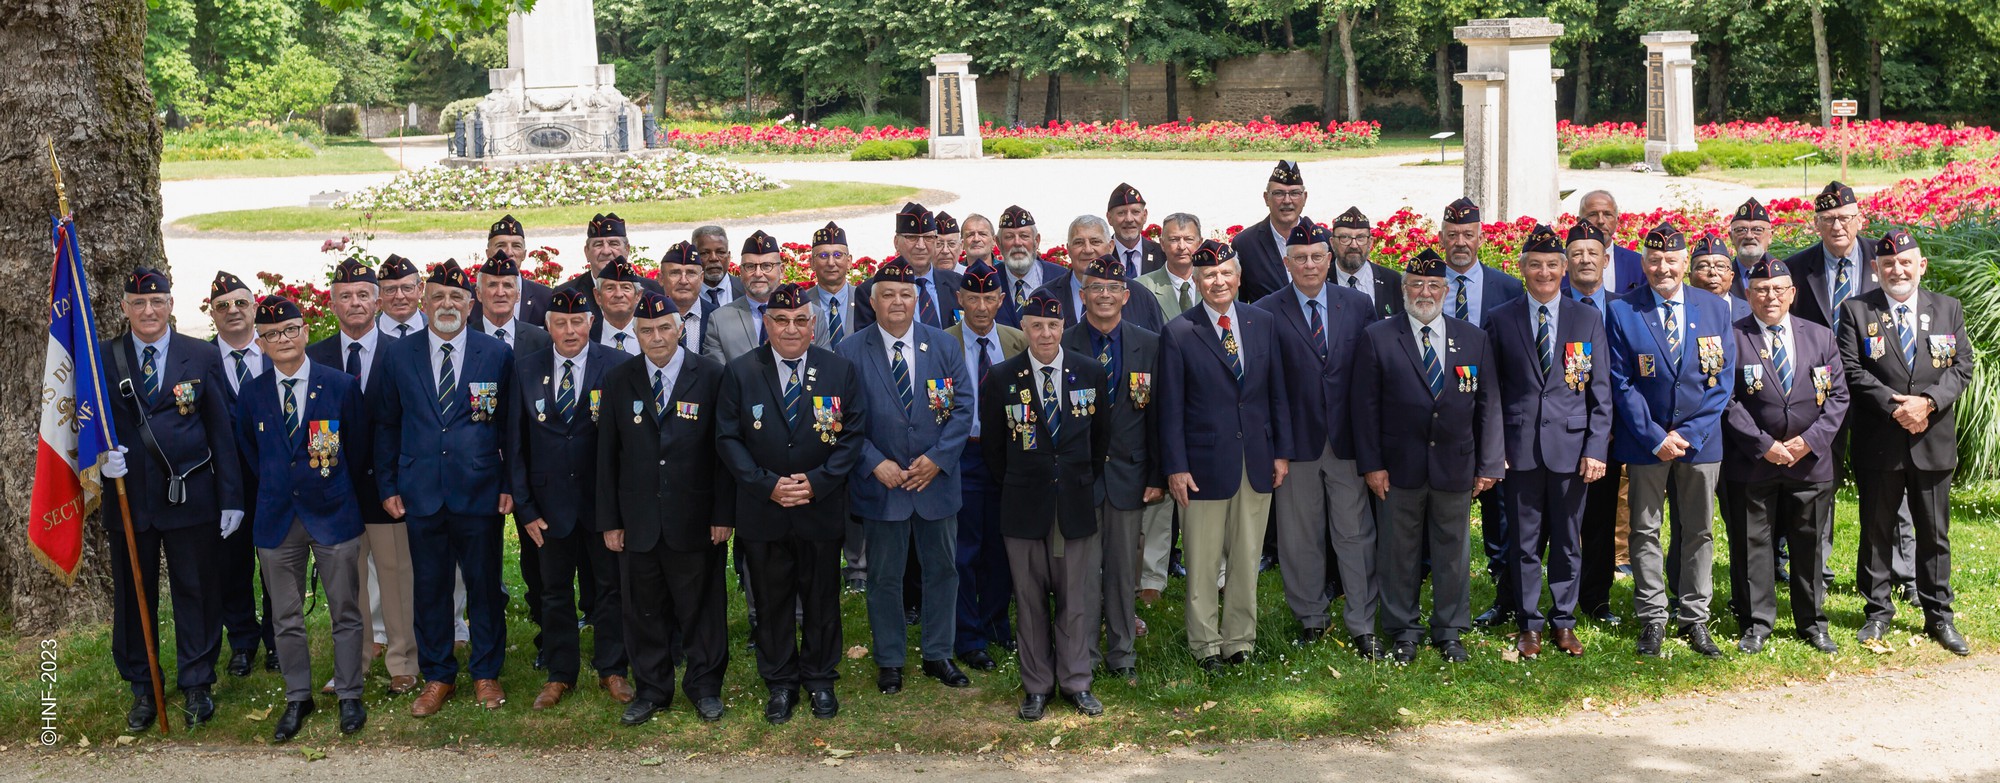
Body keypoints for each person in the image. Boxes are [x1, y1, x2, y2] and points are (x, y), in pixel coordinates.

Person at [715, 283, 868, 723]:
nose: (791, 328)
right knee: (771, 599)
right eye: (781, 320)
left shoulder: (838, 370)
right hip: (764, 510)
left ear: (813, 324)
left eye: (801, 319)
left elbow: (851, 435)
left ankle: (820, 678)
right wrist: (767, 485)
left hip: (818, 508)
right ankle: (780, 682)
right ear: (766, 323)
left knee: (821, 597)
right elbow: (728, 438)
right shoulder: (742, 372)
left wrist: (817, 482)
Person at [100, 267, 245, 731]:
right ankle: (144, 688)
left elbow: (221, 431)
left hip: (190, 494)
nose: (148, 311)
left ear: (170, 305)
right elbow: (84, 423)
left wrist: (232, 498)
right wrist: (99, 461)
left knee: (197, 590)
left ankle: (197, 682)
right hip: (128, 496)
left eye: (157, 302)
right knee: (133, 594)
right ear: (124, 307)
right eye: (138, 303)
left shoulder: (198, 355)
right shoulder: (104, 357)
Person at [374, 259, 517, 715]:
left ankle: (486, 673)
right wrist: (389, 483)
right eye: (438, 296)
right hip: (421, 492)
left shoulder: (495, 353)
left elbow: (509, 429)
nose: (447, 304)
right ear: (424, 301)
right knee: (431, 588)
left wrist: (510, 482)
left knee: (484, 587)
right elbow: (386, 425)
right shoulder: (398, 354)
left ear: (470, 303)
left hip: (479, 490)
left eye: (456, 297)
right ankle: (437, 676)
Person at [1351, 249, 1503, 664]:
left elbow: (1488, 406)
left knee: (1453, 552)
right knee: (1398, 552)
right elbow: (1364, 409)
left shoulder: (1473, 338)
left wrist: (1489, 464)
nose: (1425, 292)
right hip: (1398, 469)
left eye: (1433, 285)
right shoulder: (1379, 337)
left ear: (1446, 290)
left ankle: (1450, 630)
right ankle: (1403, 630)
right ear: (1404, 289)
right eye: (1416, 284)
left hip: (1456, 465)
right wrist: (1372, 465)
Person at [233, 295, 370, 741]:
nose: (283, 339)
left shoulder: (340, 386)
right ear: (261, 341)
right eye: (272, 334)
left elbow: (357, 448)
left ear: (306, 331)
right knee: (285, 616)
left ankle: (350, 693)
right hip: (276, 520)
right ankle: (298, 697)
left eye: (291, 329)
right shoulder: (251, 394)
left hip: (333, 515)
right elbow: (251, 454)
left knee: (346, 609)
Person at [837, 258, 977, 694]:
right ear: (873, 301)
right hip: (883, 484)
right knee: (884, 577)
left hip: (934, 482)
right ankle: (890, 660)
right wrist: (873, 461)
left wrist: (938, 458)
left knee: (942, 571)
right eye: (888, 295)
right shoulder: (849, 350)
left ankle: (939, 654)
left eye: (905, 295)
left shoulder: (942, 345)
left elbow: (962, 406)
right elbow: (842, 419)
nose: (897, 302)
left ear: (916, 300)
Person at [597, 290, 734, 723]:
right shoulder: (620, 380)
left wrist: (723, 514)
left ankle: (705, 686)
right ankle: (653, 689)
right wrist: (610, 521)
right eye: (646, 331)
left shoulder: (711, 376)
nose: (656, 337)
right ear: (634, 334)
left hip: (695, 518)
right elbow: (607, 456)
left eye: (663, 328)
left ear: (680, 328)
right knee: (643, 609)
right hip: (638, 519)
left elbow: (724, 454)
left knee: (702, 608)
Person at [1159, 239, 1292, 672]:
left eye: (1226, 273)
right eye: (1209, 276)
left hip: (1255, 460)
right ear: (1197, 282)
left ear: (1238, 277)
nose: (1219, 281)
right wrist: (1176, 467)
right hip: (1202, 468)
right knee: (1201, 559)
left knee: (1247, 556)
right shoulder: (1179, 332)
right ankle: (1205, 644)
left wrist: (1281, 453)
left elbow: (1276, 394)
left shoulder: (1262, 323)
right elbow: (1170, 409)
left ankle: (1239, 640)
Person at [1838, 230, 1971, 656]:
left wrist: (1927, 403)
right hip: (1881, 439)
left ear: (1921, 265)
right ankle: (1877, 612)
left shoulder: (1947, 309)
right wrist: (1896, 407)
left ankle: (1939, 616)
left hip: (1932, 440)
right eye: (1888, 264)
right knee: (1876, 529)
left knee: (1934, 532)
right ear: (1876, 268)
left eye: (1905, 262)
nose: (1897, 270)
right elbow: (1851, 369)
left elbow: (1962, 366)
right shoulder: (1858, 311)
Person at [1607, 223, 1736, 658]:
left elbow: (1721, 381)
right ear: (1644, 264)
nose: (1663, 267)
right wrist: (1655, 437)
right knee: (1645, 529)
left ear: (1685, 265)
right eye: (1655, 260)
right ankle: (1653, 617)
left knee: (1698, 529)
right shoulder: (1624, 311)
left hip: (1701, 442)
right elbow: (1620, 382)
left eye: (1672, 261)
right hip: (1646, 442)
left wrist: (1688, 433)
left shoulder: (1714, 309)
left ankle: (1695, 617)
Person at [1483, 226, 1612, 658]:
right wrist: (1493, 449)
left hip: (1572, 450)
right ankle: (1528, 624)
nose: (1544, 272)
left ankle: (1564, 621)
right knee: (1521, 541)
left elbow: (1601, 391)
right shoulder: (1502, 318)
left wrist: (1596, 448)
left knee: (1568, 539)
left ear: (1564, 269)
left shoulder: (1586, 318)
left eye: (1553, 264)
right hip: (1518, 450)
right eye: (1535, 264)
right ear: (1522, 270)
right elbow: (1493, 392)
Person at [983, 291, 1112, 720]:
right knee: (1030, 597)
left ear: (1063, 328)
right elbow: (994, 451)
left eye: (1052, 326)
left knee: (1076, 597)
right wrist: (1025, 482)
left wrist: (1074, 480)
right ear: (1024, 328)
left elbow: (1100, 443)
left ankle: (1076, 682)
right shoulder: (1002, 377)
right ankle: (1036, 685)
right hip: (1022, 506)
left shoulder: (1090, 372)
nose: (1044, 334)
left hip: (1073, 503)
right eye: (1035, 325)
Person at [508, 287, 631, 709]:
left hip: (602, 506)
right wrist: (525, 509)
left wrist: (621, 508)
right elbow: (516, 445)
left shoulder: (617, 366)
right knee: (553, 592)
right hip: (548, 507)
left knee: (610, 589)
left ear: (590, 322)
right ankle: (561, 674)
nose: (569, 330)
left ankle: (613, 669)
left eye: (577, 321)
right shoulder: (525, 369)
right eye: (560, 323)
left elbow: (628, 446)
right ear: (548, 326)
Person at [1721, 257, 1847, 655]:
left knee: (1808, 545)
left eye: (1778, 289)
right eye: (1761, 290)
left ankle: (1812, 622)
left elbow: (1839, 396)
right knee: (1751, 543)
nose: (1770, 296)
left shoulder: (1821, 336)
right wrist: (1765, 445)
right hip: (1754, 461)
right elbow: (1726, 399)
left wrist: (1809, 441)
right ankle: (1757, 622)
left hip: (1810, 462)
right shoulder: (1732, 336)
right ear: (1747, 294)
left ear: (1792, 294)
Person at [306, 258, 420, 695]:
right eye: (344, 296)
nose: (354, 303)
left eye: (362, 295)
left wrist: (397, 481)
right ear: (331, 304)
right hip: (337, 489)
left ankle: (402, 661)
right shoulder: (314, 356)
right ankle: (352, 663)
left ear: (378, 300)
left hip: (388, 488)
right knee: (346, 582)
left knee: (395, 576)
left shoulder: (404, 352)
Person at [1265, 219, 1378, 655]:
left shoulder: (1357, 305)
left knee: (1354, 533)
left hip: (1347, 441)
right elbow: (1267, 385)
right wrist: (1277, 449)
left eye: (1316, 256)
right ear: (1286, 262)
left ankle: (1362, 622)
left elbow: (1369, 381)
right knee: (1299, 535)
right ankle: (1310, 617)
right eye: (1300, 258)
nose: (1309, 265)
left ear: (1329, 259)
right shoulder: (1268, 311)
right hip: (1296, 445)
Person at [1062, 256, 1163, 681]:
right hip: (1079, 478)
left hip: (1130, 476)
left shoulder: (1149, 344)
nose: (1104, 295)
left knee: (1123, 572)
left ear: (1126, 296)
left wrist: (1158, 474)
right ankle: (1082, 655)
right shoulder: (1063, 343)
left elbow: (1160, 415)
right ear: (1082, 296)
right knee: (1081, 573)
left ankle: (1122, 654)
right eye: (1095, 288)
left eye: (1112, 289)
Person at [1437, 198, 1527, 629]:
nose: (1460, 243)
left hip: (1493, 413)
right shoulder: (1423, 283)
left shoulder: (1508, 288)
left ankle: (1502, 579)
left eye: (1467, 235)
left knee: (1500, 508)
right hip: (1441, 416)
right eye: (1452, 235)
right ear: (1441, 238)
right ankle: (1431, 573)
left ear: (1480, 239)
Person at [947, 259, 1024, 670]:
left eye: (989, 298)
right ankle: (968, 635)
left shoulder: (1017, 341)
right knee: (963, 549)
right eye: (972, 297)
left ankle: (997, 624)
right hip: (962, 453)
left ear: (1000, 299)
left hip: (1009, 454)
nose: (980, 306)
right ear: (960, 300)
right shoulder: (942, 342)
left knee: (1001, 544)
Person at [205, 271, 275, 677]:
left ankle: (278, 641)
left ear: (255, 307)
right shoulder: (198, 360)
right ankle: (243, 642)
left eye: (240, 303)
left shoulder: (277, 351)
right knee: (231, 567)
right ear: (211, 314)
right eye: (222, 306)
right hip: (221, 485)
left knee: (276, 565)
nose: (233, 311)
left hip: (272, 481)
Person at [1564, 219, 1628, 627]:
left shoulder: (1625, 309)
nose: (1585, 260)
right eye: (1577, 254)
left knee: (1601, 519)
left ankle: (1596, 598)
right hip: (1556, 431)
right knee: (1552, 521)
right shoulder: (1552, 304)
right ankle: (1546, 597)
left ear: (1606, 260)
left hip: (1610, 431)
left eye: (1593, 254)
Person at [708, 230, 831, 359]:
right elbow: (718, 376)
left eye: (767, 266)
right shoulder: (720, 321)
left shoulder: (811, 315)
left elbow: (823, 366)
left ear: (782, 271)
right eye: (750, 266)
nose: (758, 273)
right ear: (741, 272)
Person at [1036, 215, 1166, 334]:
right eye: (1079, 243)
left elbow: (1155, 350)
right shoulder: (1044, 296)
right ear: (1068, 249)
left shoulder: (1141, 297)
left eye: (1095, 242)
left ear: (1111, 246)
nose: (1087, 250)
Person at [858, 203, 963, 330]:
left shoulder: (957, 283)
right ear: (896, 242)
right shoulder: (871, 291)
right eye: (912, 237)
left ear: (935, 242)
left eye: (928, 238)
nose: (920, 245)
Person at [1230, 160, 1308, 303]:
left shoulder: (1323, 240)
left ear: (1305, 198)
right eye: (1278, 193)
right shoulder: (1246, 244)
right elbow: (1239, 304)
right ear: (1266, 198)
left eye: (1295, 193)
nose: (1287, 200)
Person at [559, 213, 666, 302]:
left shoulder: (655, 292)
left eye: (613, 244)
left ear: (627, 250)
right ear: (586, 252)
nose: (606, 251)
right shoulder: (565, 294)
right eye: (598, 244)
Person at [995, 205, 1071, 327]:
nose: (1017, 243)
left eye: (1024, 236)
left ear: (1037, 241)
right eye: (1009, 237)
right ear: (998, 243)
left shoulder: (1061, 278)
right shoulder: (990, 280)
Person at [1329, 206, 1404, 321]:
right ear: (1332, 243)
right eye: (1345, 237)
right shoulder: (1321, 280)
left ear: (1370, 242)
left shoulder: (1392, 281)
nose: (1354, 245)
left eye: (1361, 238)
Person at [472, 250, 554, 355]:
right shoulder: (465, 339)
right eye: (492, 285)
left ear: (518, 294)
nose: (500, 293)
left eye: (507, 285)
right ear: (479, 294)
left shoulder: (541, 341)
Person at [484, 214, 554, 326]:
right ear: (488, 253)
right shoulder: (470, 297)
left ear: (524, 254)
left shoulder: (545, 297)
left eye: (516, 246)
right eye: (501, 245)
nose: (509, 252)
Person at [1576, 190, 1647, 295]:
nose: (1600, 221)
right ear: (1579, 221)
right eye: (1593, 214)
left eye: (1607, 214)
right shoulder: (1561, 262)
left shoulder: (1638, 264)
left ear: (1617, 220)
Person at [803, 222, 861, 347]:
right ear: (812, 263)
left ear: (849, 261)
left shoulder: (864, 299)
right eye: (823, 256)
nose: (831, 262)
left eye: (837, 255)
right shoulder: (802, 303)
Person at [658, 241, 716, 356]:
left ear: (701, 278)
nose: (683, 281)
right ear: (661, 279)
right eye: (675, 273)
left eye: (691, 273)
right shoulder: (647, 317)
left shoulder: (717, 317)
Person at [590, 256, 647, 356]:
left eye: (626, 287)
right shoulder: (587, 336)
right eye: (610, 288)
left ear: (638, 295)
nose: (618, 294)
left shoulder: (652, 335)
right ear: (598, 296)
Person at [1106, 182, 1166, 276]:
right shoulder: (1102, 254)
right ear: (1109, 218)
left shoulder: (1162, 254)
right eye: (1121, 213)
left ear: (1145, 215)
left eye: (1135, 212)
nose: (1129, 219)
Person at [1691, 234, 1753, 323]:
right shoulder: (1681, 310)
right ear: (1690, 277)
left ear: (1731, 276)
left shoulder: (1751, 311)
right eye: (1703, 266)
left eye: (1720, 266)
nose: (1712, 272)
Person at [1726, 198, 1775, 298]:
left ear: (1770, 236)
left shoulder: (1787, 273)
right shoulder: (1721, 277)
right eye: (1741, 230)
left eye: (1757, 230)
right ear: (1731, 237)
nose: (1749, 236)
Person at [375, 254, 427, 338]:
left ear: (420, 289)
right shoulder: (364, 333)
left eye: (407, 288)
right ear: (378, 293)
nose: (399, 296)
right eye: (390, 289)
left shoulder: (437, 331)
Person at [692, 224, 743, 308]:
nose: (713, 258)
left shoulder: (746, 290)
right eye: (705, 253)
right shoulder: (683, 293)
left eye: (720, 252)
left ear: (729, 256)